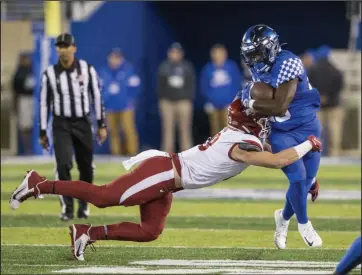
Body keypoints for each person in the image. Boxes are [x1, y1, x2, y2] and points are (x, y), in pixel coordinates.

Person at [10, 91, 322, 261]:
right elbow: (278, 158)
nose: (268, 123)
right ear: (254, 122)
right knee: (104, 196)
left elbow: (281, 160)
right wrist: (309, 144)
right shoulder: (241, 146)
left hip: (169, 178)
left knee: (150, 230)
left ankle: (86, 233)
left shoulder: (245, 139)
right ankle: (40, 183)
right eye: (263, 120)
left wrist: (304, 178)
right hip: (163, 172)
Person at [240, 25, 322, 249]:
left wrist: (251, 102)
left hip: (307, 127)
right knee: (297, 178)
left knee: (304, 183)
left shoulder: (288, 62)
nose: (254, 59)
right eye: (251, 54)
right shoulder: (258, 68)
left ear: (270, 49)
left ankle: (283, 219)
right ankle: (304, 225)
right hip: (281, 132)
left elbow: (279, 106)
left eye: (257, 53)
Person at [39, 33, 107, 221]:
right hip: (61, 124)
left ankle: (83, 205)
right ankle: (67, 208)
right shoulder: (50, 74)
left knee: (86, 167)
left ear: (74, 48)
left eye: (66, 46)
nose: (63, 49)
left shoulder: (87, 69)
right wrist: (43, 130)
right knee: (63, 164)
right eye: (59, 46)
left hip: (83, 122)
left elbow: (97, 96)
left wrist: (102, 124)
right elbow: (44, 103)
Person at [99, 48, 140, 156]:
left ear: (122, 59)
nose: (115, 60)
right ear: (109, 58)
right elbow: (98, 88)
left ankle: (132, 153)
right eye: (113, 57)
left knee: (128, 130)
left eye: (118, 58)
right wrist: (105, 98)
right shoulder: (104, 71)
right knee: (113, 131)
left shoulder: (128, 70)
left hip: (126, 106)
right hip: (110, 106)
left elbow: (135, 87)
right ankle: (116, 154)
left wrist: (129, 100)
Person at [157, 42, 195, 152]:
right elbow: (160, 85)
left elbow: (191, 85)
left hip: (183, 102)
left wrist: (188, 99)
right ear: (169, 53)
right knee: (167, 130)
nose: (175, 54)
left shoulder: (187, 67)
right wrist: (162, 101)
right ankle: (167, 156)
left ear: (181, 54)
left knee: (185, 130)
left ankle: (187, 155)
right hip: (167, 103)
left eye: (177, 52)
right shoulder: (164, 67)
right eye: (173, 52)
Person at [308, 46, 345, 157]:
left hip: (318, 105)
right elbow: (339, 87)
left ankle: (314, 153)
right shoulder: (336, 70)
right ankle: (335, 154)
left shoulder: (313, 70)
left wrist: (321, 97)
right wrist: (329, 97)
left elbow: (310, 86)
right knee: (335, 131)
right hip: (334, 105)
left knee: (316, 131)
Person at [201, 44, 242, 136]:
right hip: (213, 105)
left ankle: (229, 149)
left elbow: (237, 84)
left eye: (221, 53)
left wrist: (233, 101)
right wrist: (208, 101)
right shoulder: (208, 69)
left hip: (228, 105)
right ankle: (215, 149)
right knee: (215, 130)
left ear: (225, 54)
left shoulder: (232, 67)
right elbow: (204, 87)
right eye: (216, 53)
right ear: (212, 55)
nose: (218, 55)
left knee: (229, 130)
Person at [12, 52, 35, 154]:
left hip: (35, 98)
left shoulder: (35, 70)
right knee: (25, 125)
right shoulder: (19, 72)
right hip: (24, 99)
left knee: (35, 124)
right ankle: (27, 149)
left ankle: (36, 149)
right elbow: (15, 89)